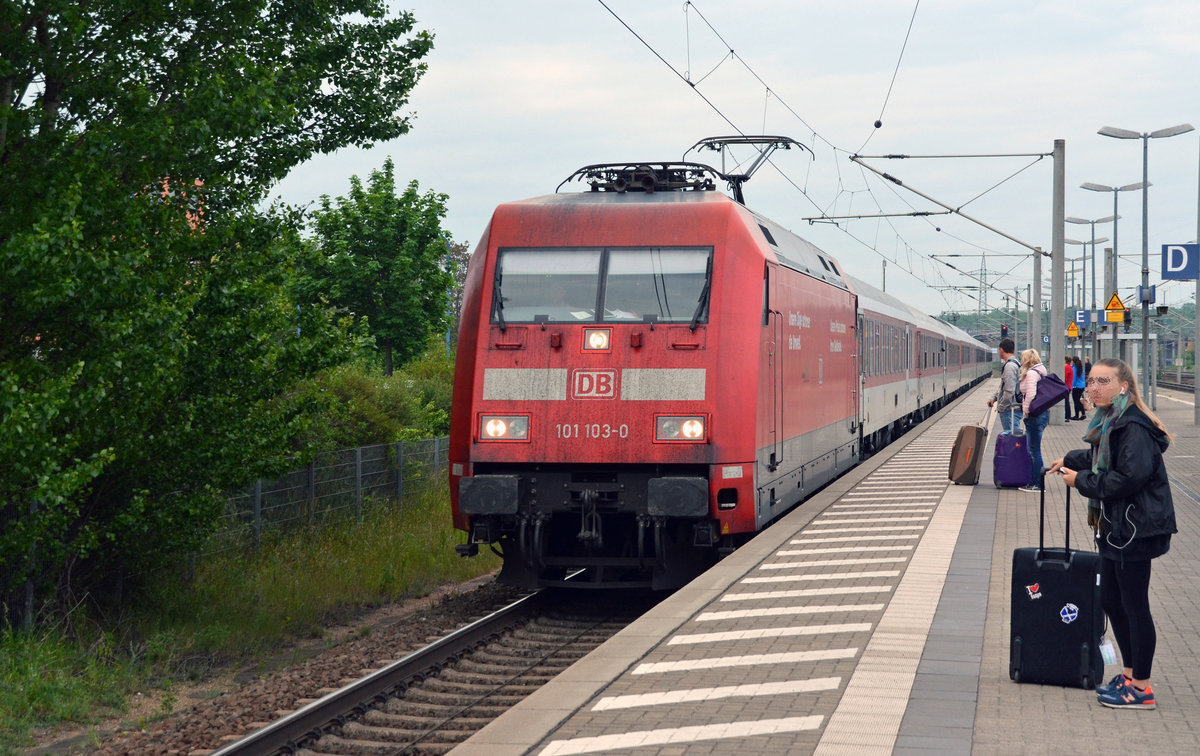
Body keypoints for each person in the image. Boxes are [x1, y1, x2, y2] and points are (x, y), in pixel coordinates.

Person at [1049, 358, 1176, 710]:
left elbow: (1127, 477)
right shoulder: (1111, 420)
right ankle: (1130, 672)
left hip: (1136, 528)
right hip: (1116, 527)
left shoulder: (1132, 425)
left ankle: (1142, 688)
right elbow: (1102, 458)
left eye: (1103, 381)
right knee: (1113, 602)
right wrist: (1071, 459)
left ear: (1124, 386)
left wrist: (1082, 482)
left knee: (1134, 606)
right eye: (1091, 381)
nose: (1093, 387)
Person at [1017, 349, 1049, 492]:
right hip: (1043, 413)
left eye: (1023, 358)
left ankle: (1037, 484)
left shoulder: (1031, 374)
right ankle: (1035, 482)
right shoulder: (1042, 370)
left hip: (1034, 415)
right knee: (1034, 449)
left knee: (1033, 450)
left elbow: (1030, 395)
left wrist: (1026, 413)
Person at [987, 338, 1022, 433]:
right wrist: (994, 398)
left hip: (1010, 410)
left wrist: (1001, 407)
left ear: (1001, 350)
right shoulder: (1016, 363)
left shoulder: (1010, 366)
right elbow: (1004, 387)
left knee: (1012, 440)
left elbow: (1009, 390)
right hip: (1012, 409)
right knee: (1012, 438)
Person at [1063, 356, 1075, 422]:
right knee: (1066, 401)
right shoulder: (1070, 367)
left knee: (1066, 402)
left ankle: (1067, 416)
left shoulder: (1067, 367)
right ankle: (1067, 416)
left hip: (1066, 386)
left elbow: (1065, 377)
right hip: (1069, 386)